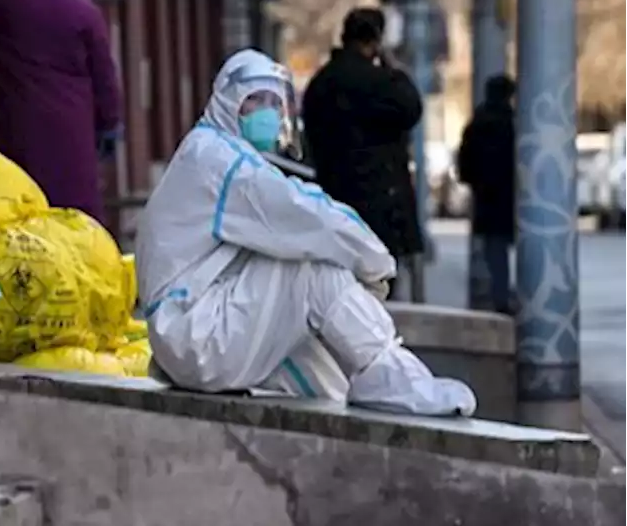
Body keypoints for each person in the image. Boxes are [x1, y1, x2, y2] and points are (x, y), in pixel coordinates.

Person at [136, 48, 475, 416]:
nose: (267, 111)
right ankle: (389, 372)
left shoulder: (210, 152)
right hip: (197, 335)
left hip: (194, 331)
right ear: (227, 103)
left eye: (273, 102)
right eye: (254, 101)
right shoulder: (221, 162)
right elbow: (303, 213)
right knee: (313, 268)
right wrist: (373, 260)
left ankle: (367, 406)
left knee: (327, 379)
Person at [0, 0, 124, 225]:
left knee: (5, 226)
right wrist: (109, 126)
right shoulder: (84, 13)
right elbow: (105, 78)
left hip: (6, 142)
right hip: (70, 147)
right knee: (70, 230)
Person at [301, 8, 425, 275]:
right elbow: (412, 107)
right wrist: (393, 67)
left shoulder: (321, 84)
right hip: (382, 204)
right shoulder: (382, 83)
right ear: (377, 42)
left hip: (334, 201)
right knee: (379, 288)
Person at [457, 74, 517, 314]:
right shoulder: (512, 123)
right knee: (506, 248)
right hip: (510, 195)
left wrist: (477, 183)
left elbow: (464, 163)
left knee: (495, 250)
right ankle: (505, 296)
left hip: (487, 197)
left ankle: (498, 294)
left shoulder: (477, 123)